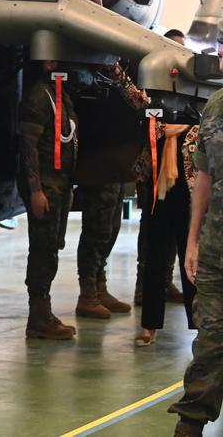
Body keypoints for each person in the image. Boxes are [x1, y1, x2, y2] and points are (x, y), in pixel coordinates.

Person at [169, 33, 223, 436]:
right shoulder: (217, 106)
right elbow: (203, 177)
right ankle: (191, 423)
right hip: (216, 248)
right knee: (210, 338)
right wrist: (192, 239)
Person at [74, 62, 149, 320]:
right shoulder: (88, 80)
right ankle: (88, 294)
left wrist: (119, 76)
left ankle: (99, 286)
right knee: (96, 231)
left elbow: (141, 103)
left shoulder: (119, 82)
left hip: (116, 168)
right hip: (97, 168)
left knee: (112, 228)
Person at [18, 59, 79, 339]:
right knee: (43, 251)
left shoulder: (60, 95)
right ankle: (39, 316)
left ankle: (43, 313)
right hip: (45, 186)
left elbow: (69, 139)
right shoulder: (38, 96)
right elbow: (28, 145)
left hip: (60, 186)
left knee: (52, 248)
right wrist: (35, 190)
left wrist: (68, 189)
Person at [135, 29, 189, 306]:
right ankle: (144, 289)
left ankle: (166, 282)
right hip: (153, 179)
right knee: (152, 239)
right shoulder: (150, 90)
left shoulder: (189, 94)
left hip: (180, 182)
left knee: (176, 240)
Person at [134, 120, 198, 346]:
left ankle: (199, 324)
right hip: (159, 199)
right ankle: (149, 325)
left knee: (191, 263)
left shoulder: (198, 125)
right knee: (154, 261)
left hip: (189, 200)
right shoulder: (154, 124)